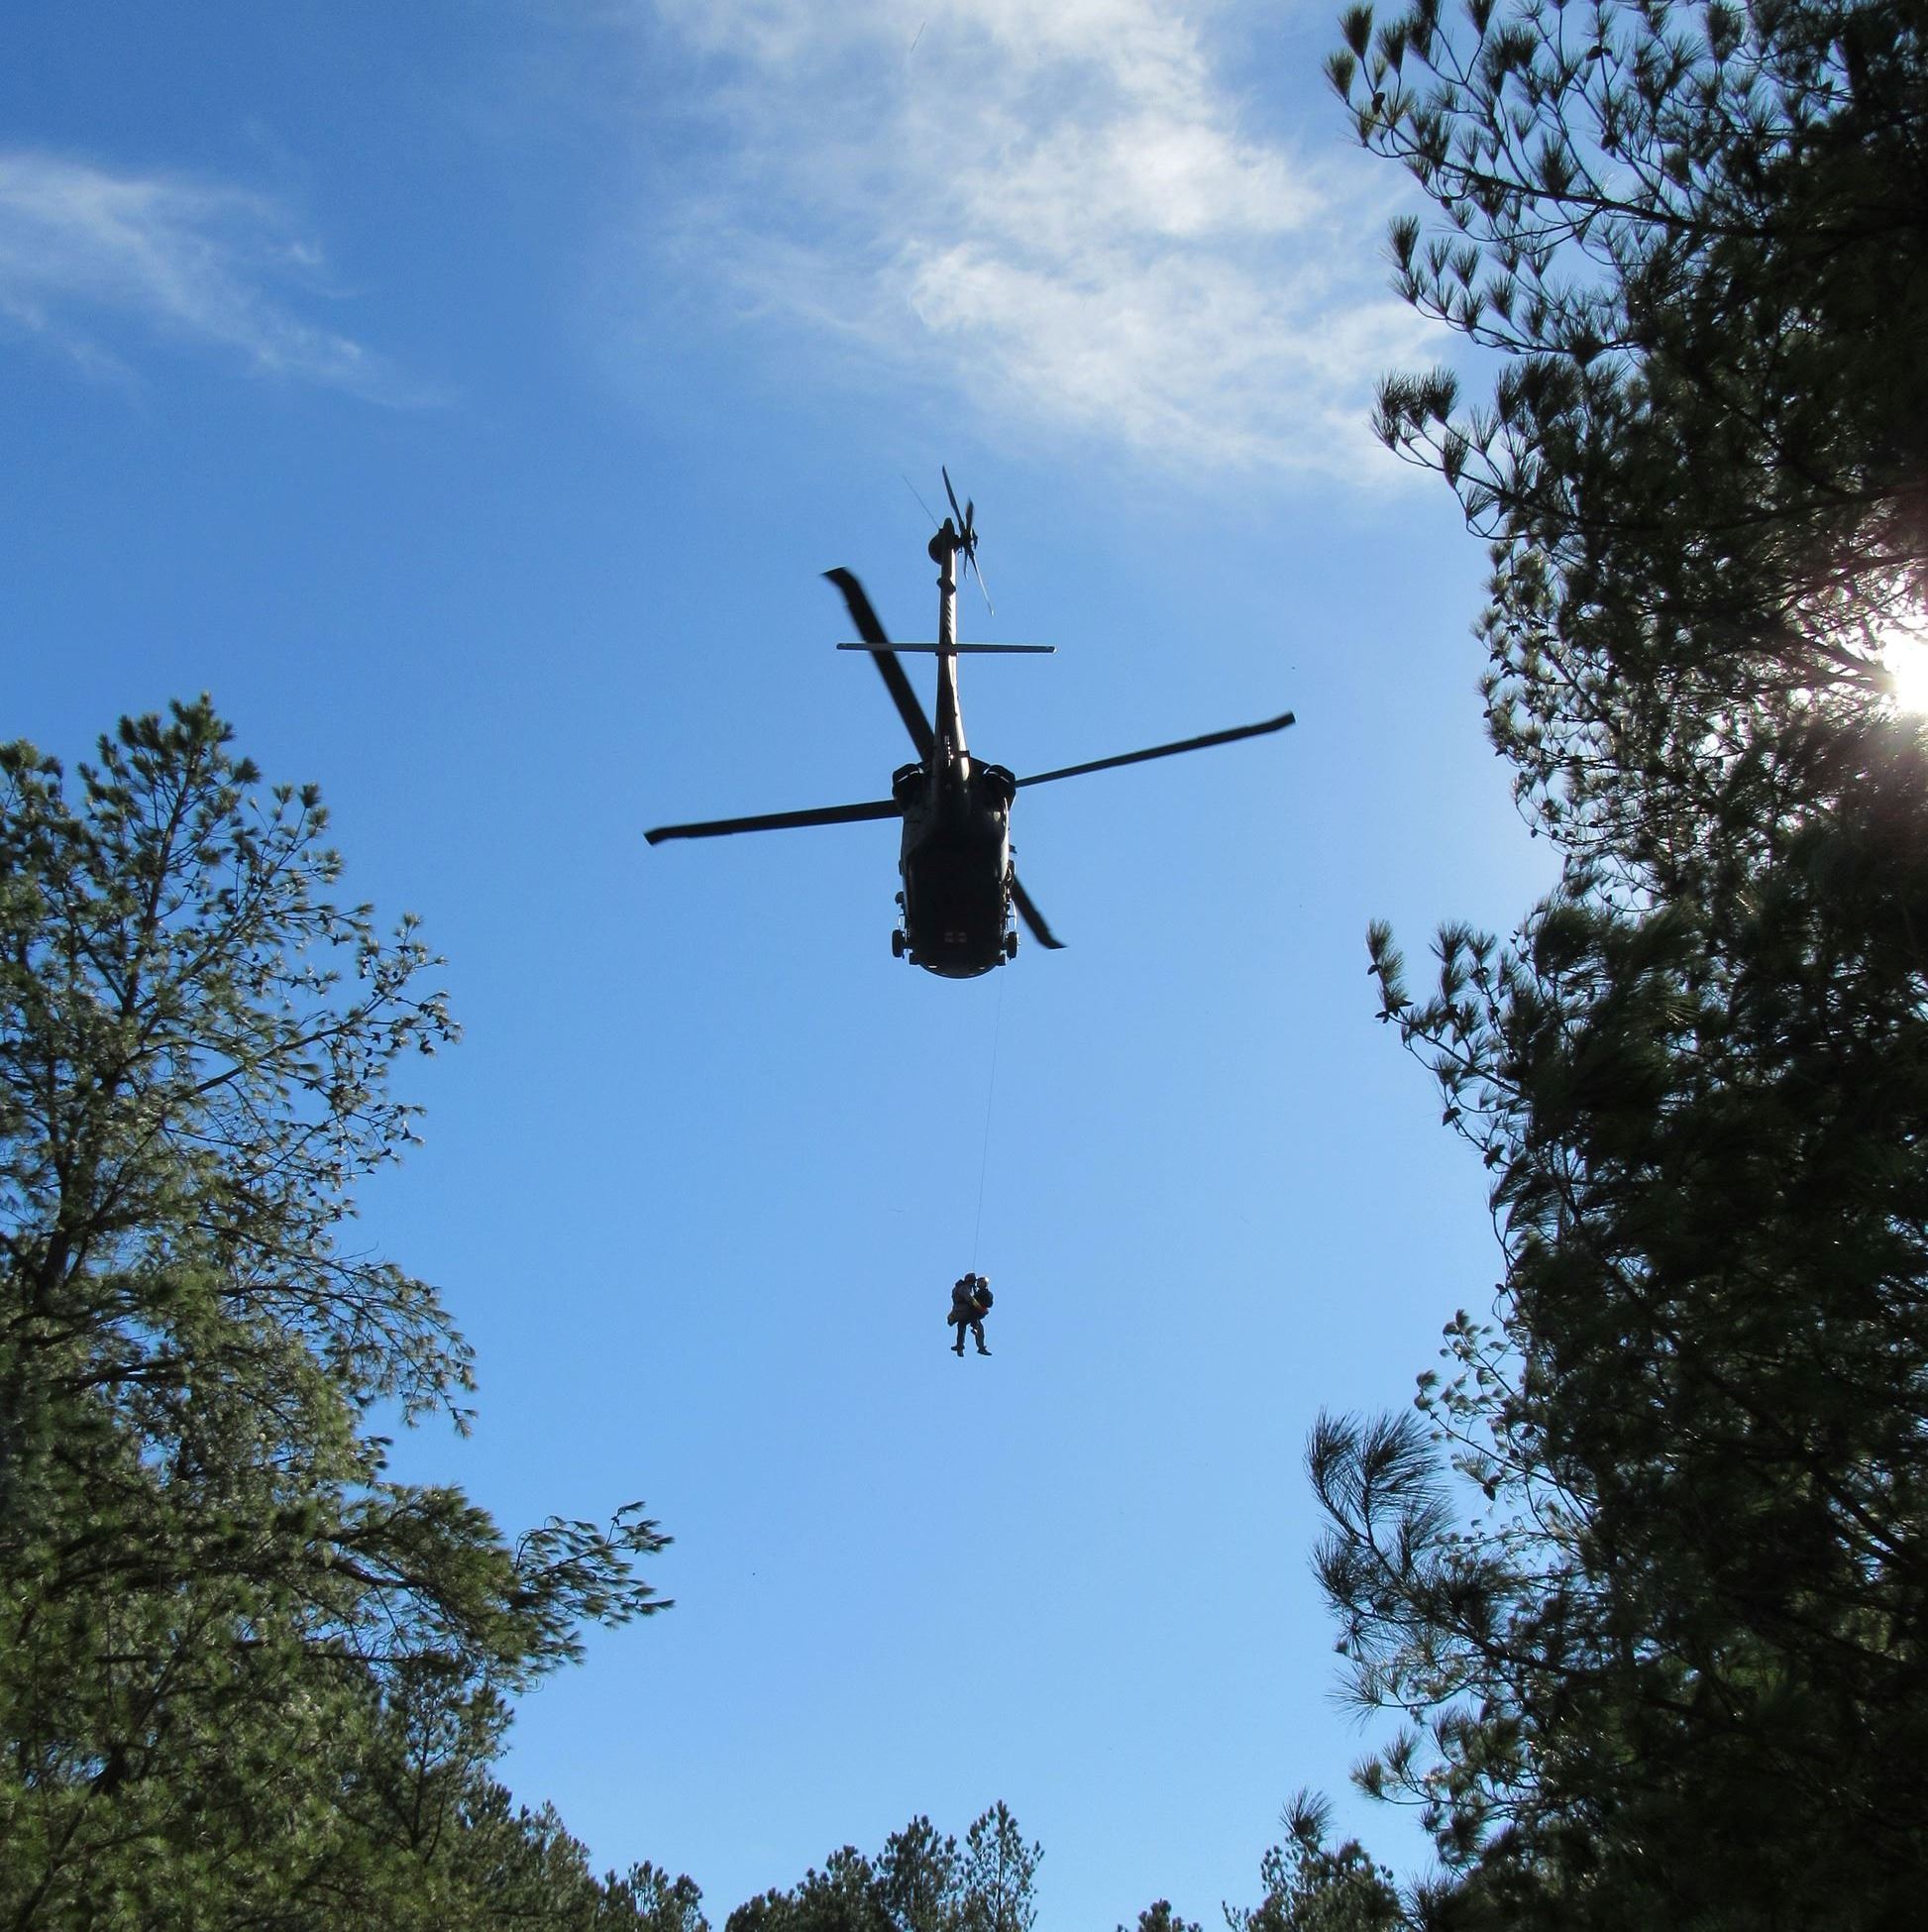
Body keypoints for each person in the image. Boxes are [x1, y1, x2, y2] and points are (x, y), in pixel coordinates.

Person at [947, 1272, 993, 1355]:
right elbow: (970, 1299)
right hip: (965, 1311)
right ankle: (979, 1346)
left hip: (961, 1311)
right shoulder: (964, 1288)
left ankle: (960, 1346)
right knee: (975, 1325)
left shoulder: (960, 1287)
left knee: (962, 1325)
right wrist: (980, 1308)